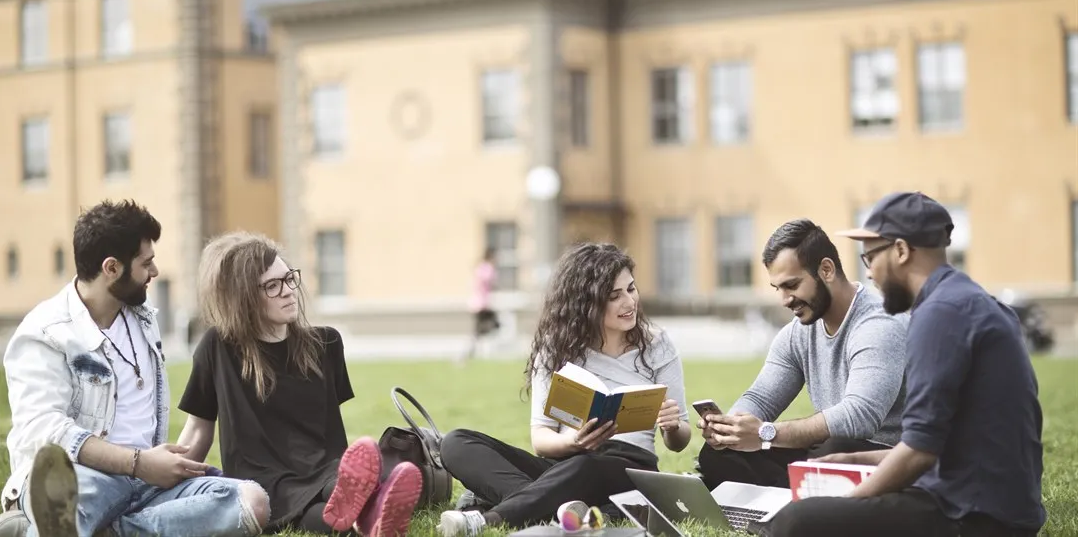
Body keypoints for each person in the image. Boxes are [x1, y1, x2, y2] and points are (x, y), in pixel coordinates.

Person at [765, 192, 1045, 537]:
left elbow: (920, 453)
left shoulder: (940, 315)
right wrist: (854, 461)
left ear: (900, 251)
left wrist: (851, 502)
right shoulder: (968, 302)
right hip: (984, 501)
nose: (869, 275)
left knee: (795, 523)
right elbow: (940, 445)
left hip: (974, 516)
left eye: (869, 258)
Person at [0, 200, 268, 537]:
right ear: (111, 268)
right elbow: (46, 430)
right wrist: (139, 462)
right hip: (83, 478)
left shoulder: (141, 315)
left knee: (250, 501)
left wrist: (154, 468)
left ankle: (91, 531)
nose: (154, 273)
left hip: (145, 486)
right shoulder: (44, 333)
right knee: (72, 493)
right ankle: (61, 520)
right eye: (146, 263)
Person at [436, 243, 693, 536]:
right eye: (614, 296)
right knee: (456, 443)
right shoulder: (556, 348)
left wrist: (672, 427)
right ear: (586, 303)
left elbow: (679, 441)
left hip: (629, 469)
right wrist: (573, 442)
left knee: (588, 466)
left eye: (631, 289)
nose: (629, 302)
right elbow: (541, 439)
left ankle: (487, 519)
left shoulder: (657, 345)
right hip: (564, 463)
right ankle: (563, 508)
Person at [177, 232, 423, 536]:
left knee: (338, 485)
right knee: (310, 509)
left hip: (327, 471)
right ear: (243, 298)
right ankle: (372, 513)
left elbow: (326, 429)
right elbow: (199, 428)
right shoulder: (218, 347)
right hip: (261, 479)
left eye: (289, 278)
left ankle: (372, 506)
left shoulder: (327, 343)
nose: (288, 291)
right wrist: (169, 485)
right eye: (272, 285)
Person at [697, 219, 908, 490]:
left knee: (833, 449)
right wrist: (731, 427)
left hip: (882, 456)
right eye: (778, 289)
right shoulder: (798, 332)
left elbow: (859, 417)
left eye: (792, 285)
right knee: (718, 454)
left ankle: (792, 494)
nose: (785, 300)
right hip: (826, 452)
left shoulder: (879, 324)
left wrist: (764, 433)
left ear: (827, 270)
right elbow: (760, 397)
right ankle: (800, 493)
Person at [462, 247, 500, 362]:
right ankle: (468, 352)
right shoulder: (488, 268)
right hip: (482, 305)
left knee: (480, 331)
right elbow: (492, 282)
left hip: (477, 304)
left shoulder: (480, 267)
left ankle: (470, 352)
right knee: (493, 326)